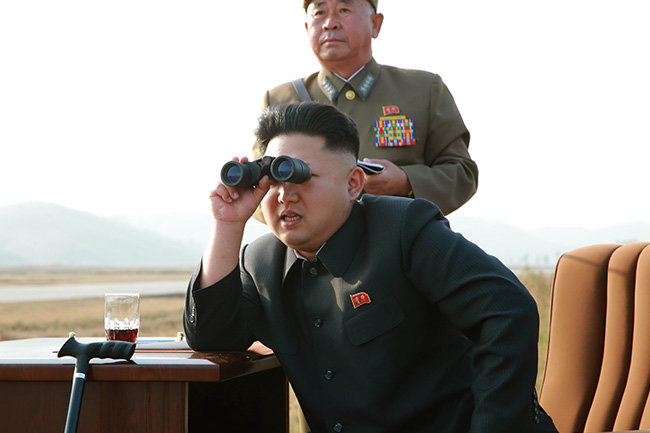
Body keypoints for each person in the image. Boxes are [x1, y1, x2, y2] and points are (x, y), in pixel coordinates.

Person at [184, 102, 558, 433]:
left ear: (353, 184)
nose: (285, 194)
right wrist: (228, 224)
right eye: (273, 179)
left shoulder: (403, 229)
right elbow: (212, 337)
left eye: (300, 176)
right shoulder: (261, 262)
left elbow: (506, 309)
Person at [253, 0, 478, 215]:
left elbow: (462, 174)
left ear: (376, 24)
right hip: (315, 243)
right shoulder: (280, 100)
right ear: (307, 27)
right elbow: (257, 190)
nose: (330, 23)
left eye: (344, 10)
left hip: (399, 237)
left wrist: (405, 181)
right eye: (319, 12)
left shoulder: (423, 90)